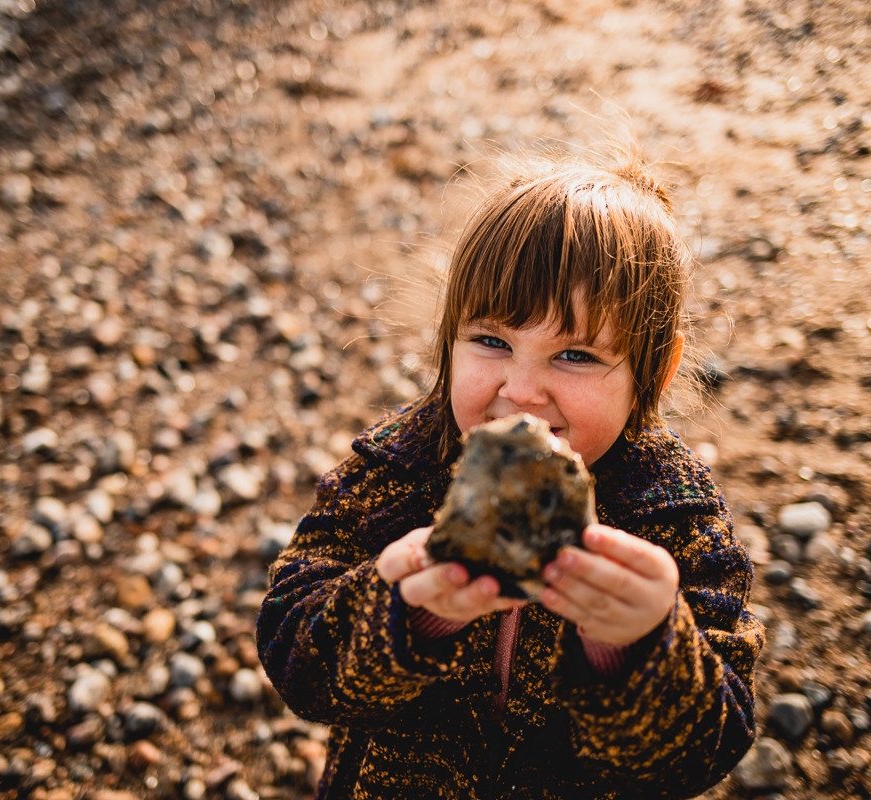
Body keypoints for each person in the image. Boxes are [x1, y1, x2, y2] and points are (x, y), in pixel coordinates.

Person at [256, 149, 765, 799]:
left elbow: (704, 753)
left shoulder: (673, 519)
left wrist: (640, 646)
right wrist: (399, 610)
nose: (521, 390)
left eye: (575, 355)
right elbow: (295, 662)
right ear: (449, 339)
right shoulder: (392, 476)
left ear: (653, 373)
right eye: (493, 342)